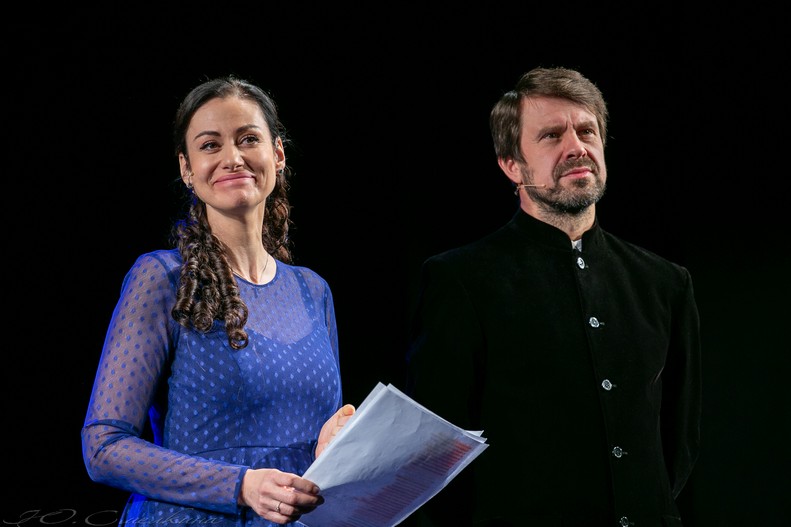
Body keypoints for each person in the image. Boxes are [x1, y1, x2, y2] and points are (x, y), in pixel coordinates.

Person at [405, 67, 701, 526]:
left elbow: (678, 444)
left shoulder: (665, 282)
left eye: (587, 131)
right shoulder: (460, 280)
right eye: (551, 135)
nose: (576, 147)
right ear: (512, 165)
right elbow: (435, 452)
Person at [81, 75, 355, 526]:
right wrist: (241, 485)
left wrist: (335, 442)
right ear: (187, 169)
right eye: (210, 145)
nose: (232, 157)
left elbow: (318, 439)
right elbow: (103, 446)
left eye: (248, 139)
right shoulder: (162, 278)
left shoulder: (313, 290)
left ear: (278, 154)